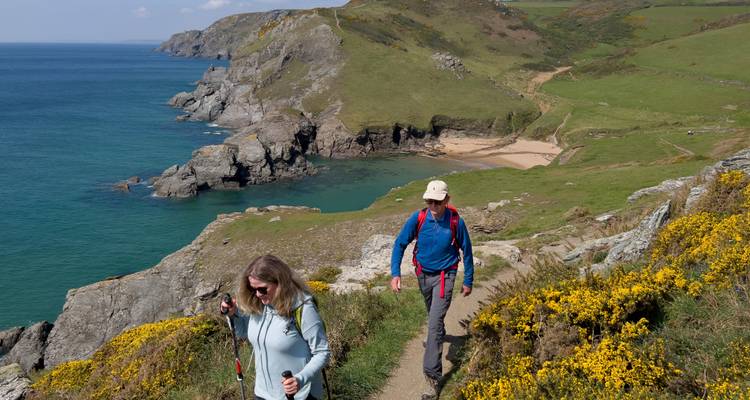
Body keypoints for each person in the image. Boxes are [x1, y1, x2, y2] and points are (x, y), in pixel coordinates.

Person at [390, 179, 474, 400]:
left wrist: (468, 280)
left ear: (447, 200)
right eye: (429, 201)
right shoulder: (418, 218)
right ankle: (438, 333)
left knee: (434, 325)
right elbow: (400, 243)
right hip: (422, 275)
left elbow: (467, 249)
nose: (433, 206)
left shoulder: (456, 221)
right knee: (433, 316)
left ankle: (432, 380)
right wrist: (395, 273)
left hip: (446, 276)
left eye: (437, 202)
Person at [221, 254, 330, 400]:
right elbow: (244, 333)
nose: (258, 294)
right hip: (262, 393)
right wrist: (233, 315)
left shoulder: (303, 308)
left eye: (262, 289)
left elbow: (322, 352)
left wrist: (299, 379)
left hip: (299, 395)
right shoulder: (260, 305)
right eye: (253, 289)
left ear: (280, 283)